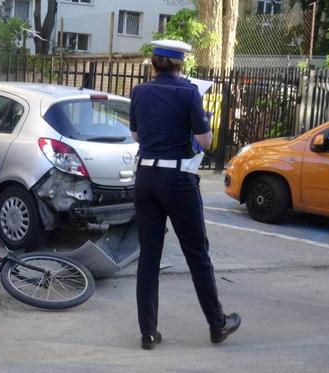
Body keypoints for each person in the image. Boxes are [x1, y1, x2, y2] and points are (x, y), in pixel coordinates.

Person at [130, 40, 241, 350]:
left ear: (153, 63)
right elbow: (205, 140)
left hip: (146, 177)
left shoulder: (139, 92)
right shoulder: (189, 92)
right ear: (180, 64)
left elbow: (136, 135)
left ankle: (148, 333)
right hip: (177, 179)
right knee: (196, 254)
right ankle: (217, 325)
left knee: (149, 256)